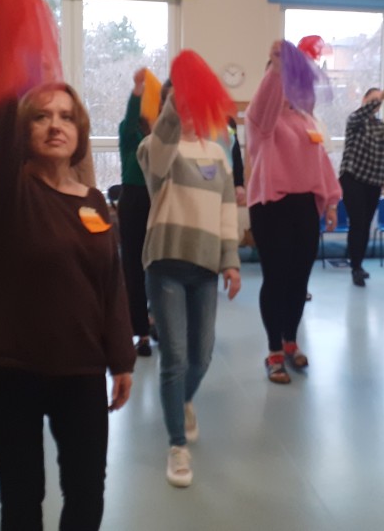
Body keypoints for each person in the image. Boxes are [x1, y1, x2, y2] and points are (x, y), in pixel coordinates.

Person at [0, 0, 134, 531]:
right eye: (41, 116)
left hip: (79, 370)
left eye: (65, 116)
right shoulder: (9, 190)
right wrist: (15, 46)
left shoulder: (94, 201)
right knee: (23, 500)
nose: (55, 125)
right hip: (8, 368)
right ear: (25, 130)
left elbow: (111, 285)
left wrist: (122, 358)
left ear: (80, 131)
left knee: (86, 494)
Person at [138, 84, 241, 488]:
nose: (191, 113)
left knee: (202, 354)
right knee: (176, 356)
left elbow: (227, 211)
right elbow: (162, 147)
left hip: (205, 267)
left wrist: (231, 262)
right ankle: (176, 444)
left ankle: (181, 401)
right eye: (183, 106)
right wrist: (174, 105)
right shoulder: (154, 149)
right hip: (165, 263)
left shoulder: (217, 153)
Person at [247, 40, 342, 384]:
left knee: (299, 280)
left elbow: (322, 164)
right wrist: (276, 68)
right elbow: (264, 104)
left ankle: (290, 340)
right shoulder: (263, 121)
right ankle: (274, 350)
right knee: (276, 279)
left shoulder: (307, 120)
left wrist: (331, 201)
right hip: (271, 207)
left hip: (305, 207)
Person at [118, 68, 155, 356]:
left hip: (159, 200)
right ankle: (141, 332)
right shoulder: (130, 133)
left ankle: (155, 320)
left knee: (158, 266)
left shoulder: (165, 134)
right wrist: (137, 90)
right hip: (133, 200)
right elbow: (131, 120)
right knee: (133, 267)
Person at [339, 88, 384, 286]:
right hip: (352, 178)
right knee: (358, 223)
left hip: (373, 181)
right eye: (372, 100)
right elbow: (362, 113)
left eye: (379, 101)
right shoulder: (355, 120)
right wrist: (380, 98)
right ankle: (355, 267)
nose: (376, 104)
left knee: (366, 224)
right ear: (364, 100)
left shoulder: (381, 126)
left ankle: (359, 264)